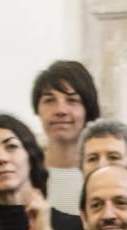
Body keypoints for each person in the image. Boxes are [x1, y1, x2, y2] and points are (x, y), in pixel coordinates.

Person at [31, 60, 100, 215]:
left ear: (87, 110)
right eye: (49, 100)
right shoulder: (23, 175)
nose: (60, 110)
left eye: (72, 100)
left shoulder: (104, 176)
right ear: (37, 109)